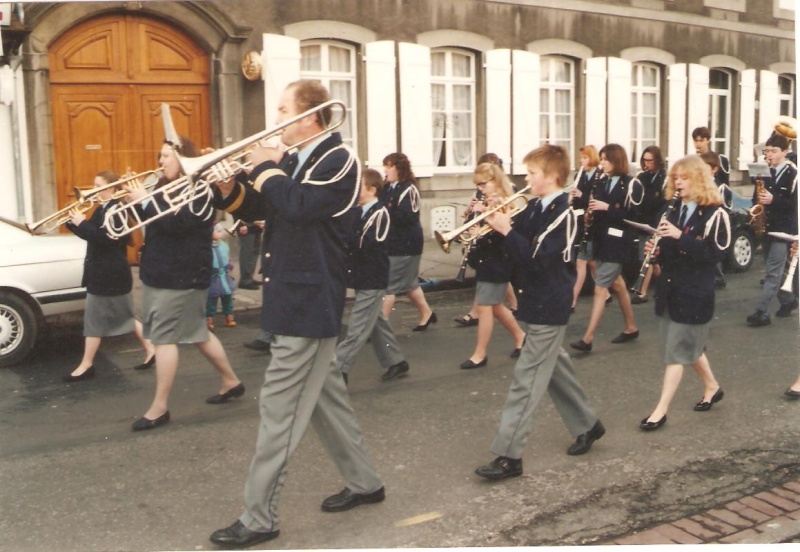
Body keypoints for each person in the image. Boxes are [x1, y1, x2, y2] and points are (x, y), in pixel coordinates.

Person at [208, 80, 384, 550]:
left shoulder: (339, 159)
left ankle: (259, 517)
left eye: (283, 109)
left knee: (279, 411)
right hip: (293, 293)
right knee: (325, 400)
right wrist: (230, 189)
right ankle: (366, 482)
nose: (276, 118)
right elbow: (265, 206)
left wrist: (264, 167)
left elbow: (300, 206)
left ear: (309, 117)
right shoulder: (291, 161)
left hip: (311, 299)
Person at [474, 144, 605, 480]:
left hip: (550, 303)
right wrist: (489, 225)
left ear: (552, 177)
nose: (526, 179)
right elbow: (515, 246)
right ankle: (588, 425)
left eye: (532, 174)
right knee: (555, 368)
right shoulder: (535, 208)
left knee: (527, 380)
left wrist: (505, 230)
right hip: (533, 301)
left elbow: (537, 258)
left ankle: (509, 456)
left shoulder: (565, 214)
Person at [123, 136, 244, 431]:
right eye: (160, 155)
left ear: (183, 158)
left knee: (165, 338)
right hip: (162, 272)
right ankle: (231, 381)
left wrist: (146, 202)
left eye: (166, 156)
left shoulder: (200, 190)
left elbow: (180, 225)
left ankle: (159, 407)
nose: (160, 161)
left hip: (181, 276)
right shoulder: (164, 186)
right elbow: (154, 220)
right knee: (197, 333)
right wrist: (133, 202)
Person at [639, 155, 730, 431]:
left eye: (684, 177)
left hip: (694, 291)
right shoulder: (672, 209)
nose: (678, 183)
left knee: (676, 352)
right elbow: (669, 248)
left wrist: (680, 237)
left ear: (699, 179)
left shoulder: (716, 212)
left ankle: (660, 411)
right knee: (687, 346)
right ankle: (712, 387)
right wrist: (655, 252)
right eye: (675, 178)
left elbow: (715, 255)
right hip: (671, 288)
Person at [63, 170, 155, 382]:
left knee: (94, 320)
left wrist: (81, 223)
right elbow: (91, 235)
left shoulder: (117, 210)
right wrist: (73, 221)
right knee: (126, 317)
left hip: (109, 275)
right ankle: (152, 349)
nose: (93, 190)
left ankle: (86, 364)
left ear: (112, 189)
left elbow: (107, 240)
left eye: (98, 185)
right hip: (107, 274)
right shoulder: (102, 208)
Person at [335, 168, 409, 383]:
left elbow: (365, 244)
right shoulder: (357, 211)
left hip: (373, 277)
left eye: (359, 186)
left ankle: (339, 369)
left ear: (372, 189)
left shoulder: (379, 213)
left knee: (357, 327)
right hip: (361, 275)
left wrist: (345, 237)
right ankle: (396, 361)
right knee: (375, 321)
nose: (355, 190)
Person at [570, 143, 640, 353]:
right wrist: (581, 200)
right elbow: (593, 207)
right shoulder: (602, 181)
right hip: (600, 240)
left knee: (601, 288)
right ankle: (631, 327)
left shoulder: (631, 184)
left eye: (605, 160)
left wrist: (607, 208)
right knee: (617, 285)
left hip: (618, 242)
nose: (602, 163)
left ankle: (588, 338)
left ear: (616, 161)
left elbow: (633, 217)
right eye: (601, 159)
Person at [459, 162, 526, 369]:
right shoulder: (485, 199)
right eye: (478, 185)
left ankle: (480, 354)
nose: (480, 189)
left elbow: (505, 232)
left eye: (483, 184)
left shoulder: (507, 202)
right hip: (484, 257)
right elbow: (474, 228)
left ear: (495, 180)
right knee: (495, 305)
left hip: (499, 259)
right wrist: (474, 217)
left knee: (485, 306)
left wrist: (488, 214)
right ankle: (521, 337)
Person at [745, 132, 799, 326]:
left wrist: (773, 199)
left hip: (783, 229)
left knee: (772, 272)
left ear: (784, 152)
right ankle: (789, 300)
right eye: (767, 151)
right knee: (776, 268)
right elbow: (755, 197)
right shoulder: (764, 170)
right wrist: (755, 208)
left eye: (774, 151)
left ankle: (762, 311)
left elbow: (795, 204)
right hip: (766, 225)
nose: (769, 155)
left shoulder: (793, 173)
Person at [380, 152, 437, 331]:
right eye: (385, 166)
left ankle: (379, 328)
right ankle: (427, 313)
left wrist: (387, 212)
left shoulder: (409, 188)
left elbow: (408, 216)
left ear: (399, 168)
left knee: (389, 286)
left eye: (389, 166)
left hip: (406, 244)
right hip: (394, 242)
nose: (386, 170)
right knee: (410, 284)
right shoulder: (388, 187)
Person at [693, 126, 731, 289]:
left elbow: (724, 181)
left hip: (714, 199)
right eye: (696, 140)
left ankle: (718, 276)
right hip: (698, 200)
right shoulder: (693, 159)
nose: (698, 144)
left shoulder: (720, 159)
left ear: (708, 140)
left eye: (701, 140)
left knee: (712, 239)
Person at [630, 146, 667, 304]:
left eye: (650, 160)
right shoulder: (642, 177)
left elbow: (663, 202)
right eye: (644, 160)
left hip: (656, 222)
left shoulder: (664, 178)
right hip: (643, 221)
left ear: (657, 160)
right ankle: (664, 284)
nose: (646, 164)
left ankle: (642, 292)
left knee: (648, 256)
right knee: (651, 258)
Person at [568, 145, 602, 311]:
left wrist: (582, 195)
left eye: (585, 158)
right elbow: (577, 202)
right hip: (581, 220)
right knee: (589, 261)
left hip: (594, 221)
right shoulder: (579, 175)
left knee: (583, 261)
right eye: (581, 158)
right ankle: (607, 293)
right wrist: (571, 199)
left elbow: (596, 199)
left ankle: (572, 301)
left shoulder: (599, 175)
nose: (582, 161)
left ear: (592, 158)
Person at [206, 223, 237, 331]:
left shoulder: (223, 245)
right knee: (211, 299)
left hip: (224, 276)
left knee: (227, 298)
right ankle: (209, 319)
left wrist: (229, 264)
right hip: (213, 277)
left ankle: (229, 317)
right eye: (217, 232)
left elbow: (227, 258)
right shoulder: (206, 247)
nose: (220, 234)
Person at [237, 220, 264, 290]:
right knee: (247, 253)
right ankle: (245, 281)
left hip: (256, 227)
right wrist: (241, 225)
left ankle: (249, 278)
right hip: (245, 226)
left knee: (254, 252)